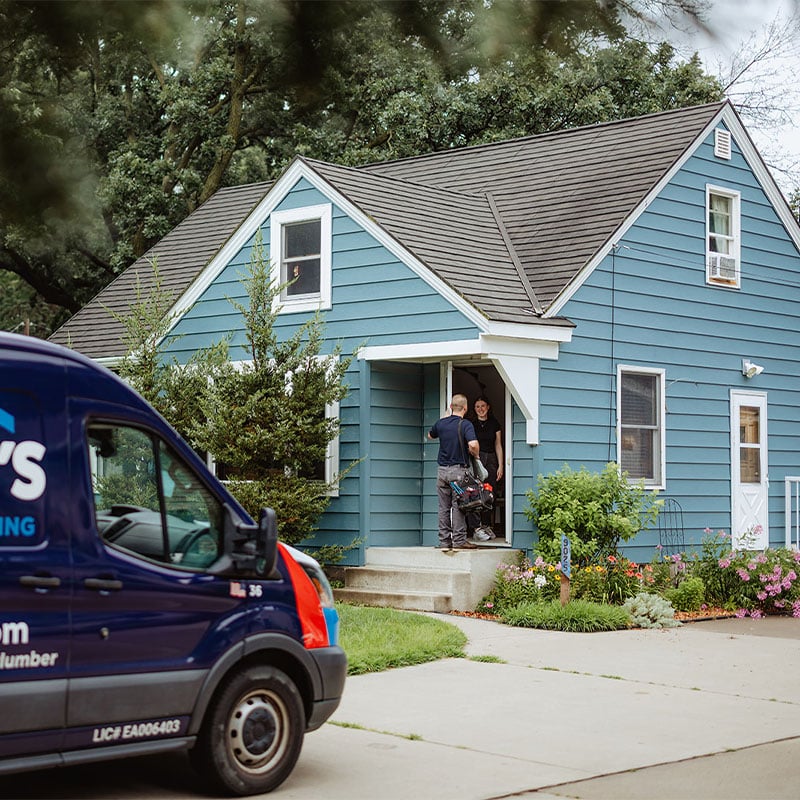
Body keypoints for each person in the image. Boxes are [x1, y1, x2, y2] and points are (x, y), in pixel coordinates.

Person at [427, 394, 479, 550]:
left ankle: (444, 542)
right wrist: (475, 453)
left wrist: (442, 420)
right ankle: (459, 540)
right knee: (459, 505)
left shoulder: (441, 424)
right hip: (457, 476)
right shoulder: (465, 424)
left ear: (450, 407)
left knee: (443, 507)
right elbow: (473, 444)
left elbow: (430, 435)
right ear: (465, 408)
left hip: (442, 473)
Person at [467, 396, 503, 539]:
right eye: (477, 407)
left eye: (483, 406)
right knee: (476, 492)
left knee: (489, 493)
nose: (480, 409)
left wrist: (500, 465)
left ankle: (487, 525)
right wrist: (475, 460)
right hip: (477, 458)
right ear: (474, 409)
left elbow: (498, 445)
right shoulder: (471, 425)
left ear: (488, 407)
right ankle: (477, 527)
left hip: (491, 459)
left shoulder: (495, 424)